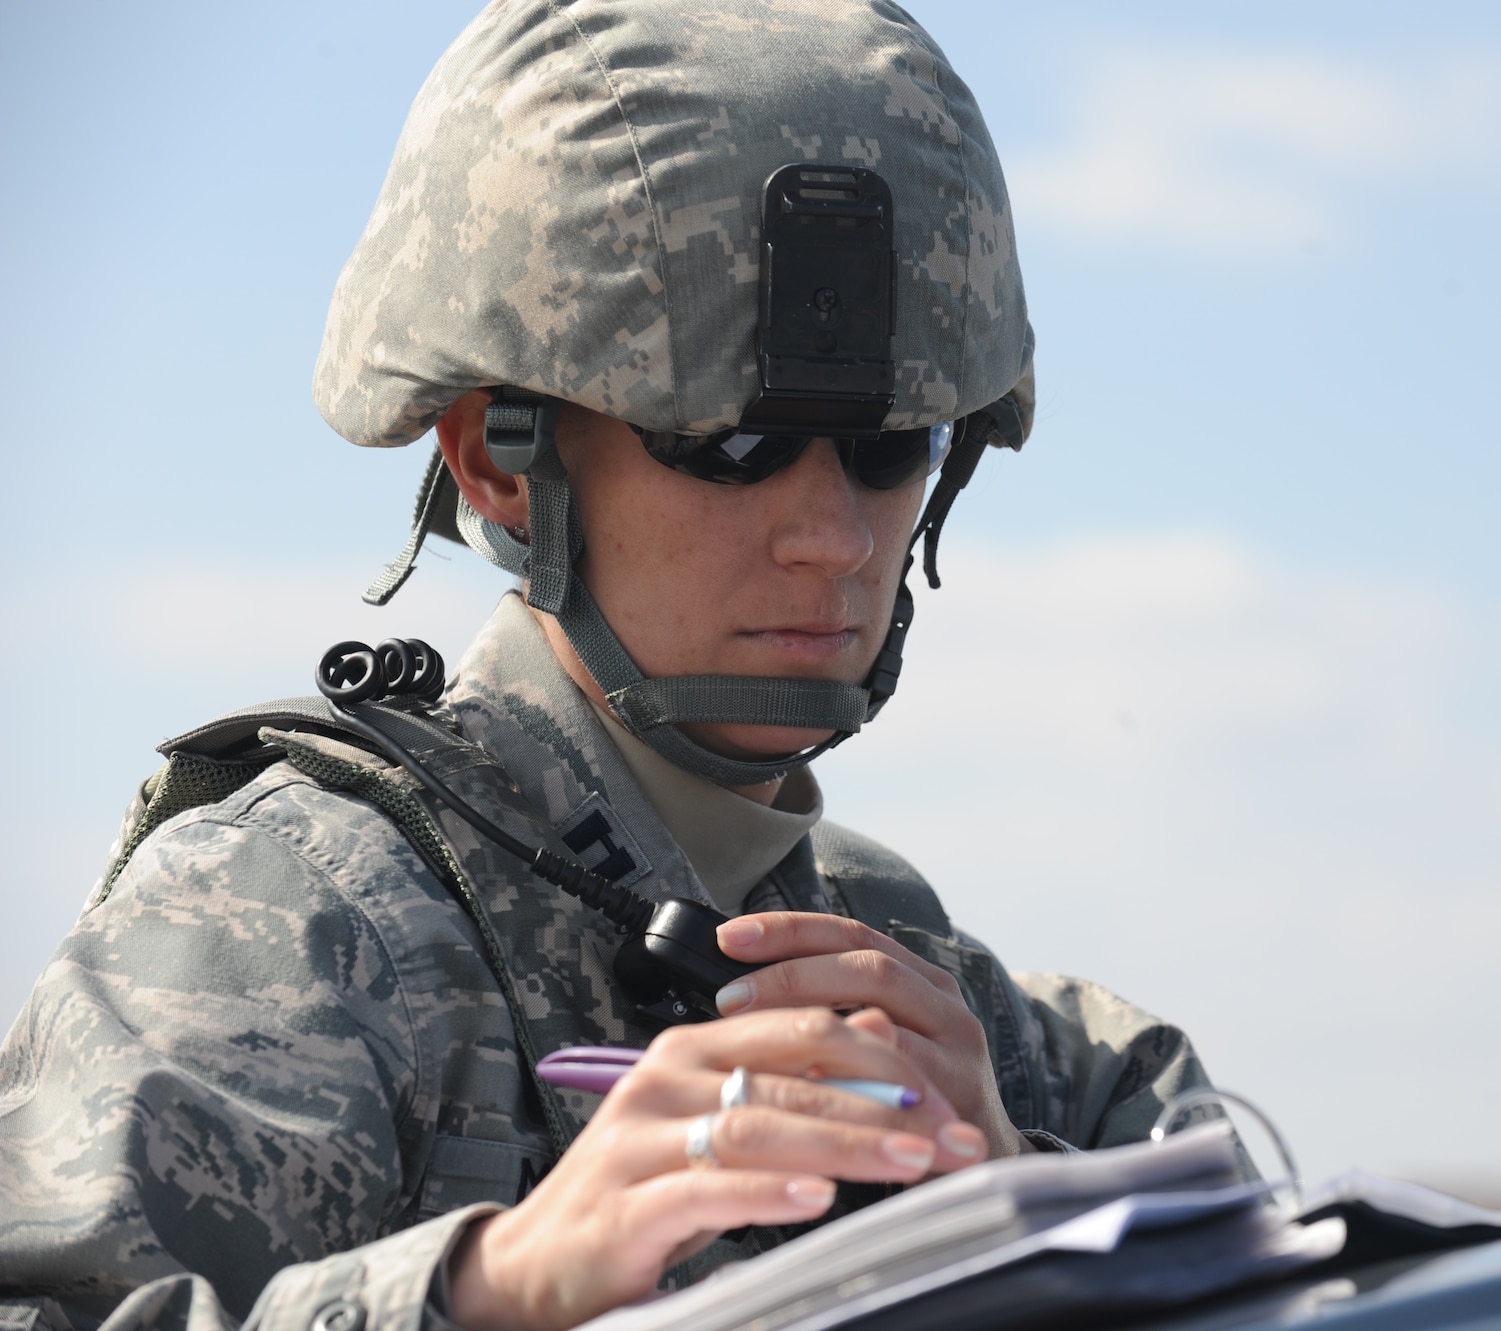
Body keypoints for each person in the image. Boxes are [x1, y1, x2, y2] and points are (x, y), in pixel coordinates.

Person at [0, 3, 1217, 1330]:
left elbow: (1289, 1254)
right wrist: (482, 1294)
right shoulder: (298, 923)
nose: (836, 536)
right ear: (496, 462)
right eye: (730, 444)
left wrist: (1014, 1211)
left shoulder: (941, 998)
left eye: (892, 446)